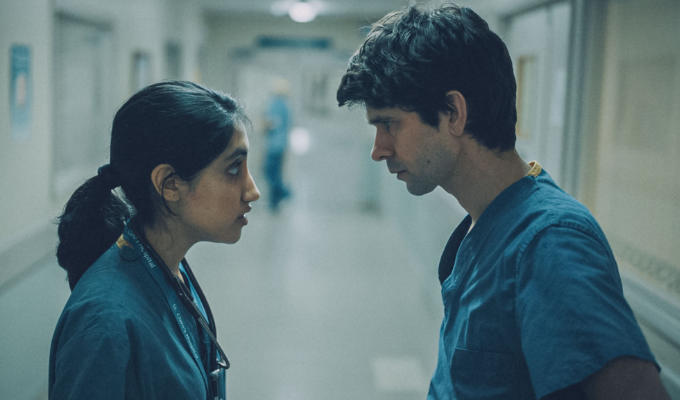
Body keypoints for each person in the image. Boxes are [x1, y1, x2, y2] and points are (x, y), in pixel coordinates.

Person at [336, 3, 670, 400]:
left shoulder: (550, 243)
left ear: (453, 113)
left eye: (389, 124)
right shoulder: (488, 222)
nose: (379, 149)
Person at [50, 81, 260, 400]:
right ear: (169, 184)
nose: (252, 190)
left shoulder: (170, 270)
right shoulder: (104, 321)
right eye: (234, 169)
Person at [263, 78, 292, 211]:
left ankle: (285, 192)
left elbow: (272, 123)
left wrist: (263, 125)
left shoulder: (276, 105)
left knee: (269, 172)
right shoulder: (286, 106)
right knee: (276, 173)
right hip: (281, 144)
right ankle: (274, 203)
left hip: (274, 145)